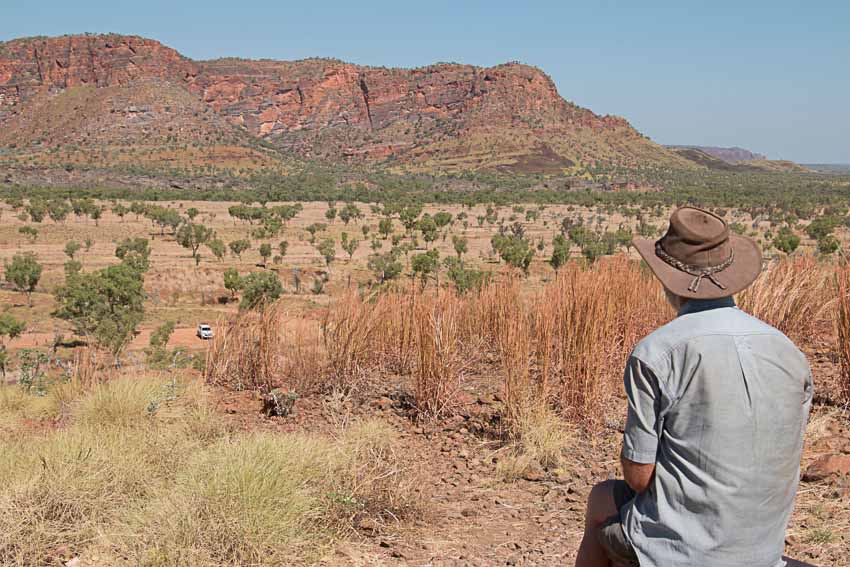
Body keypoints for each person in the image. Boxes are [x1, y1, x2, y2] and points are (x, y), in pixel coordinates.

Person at [575, 207, 813, 567]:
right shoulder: (789, 351)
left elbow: (639, 479)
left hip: (685, 548)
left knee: (600, 500)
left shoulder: (657, 352)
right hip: (763, 544)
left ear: (668, 278)